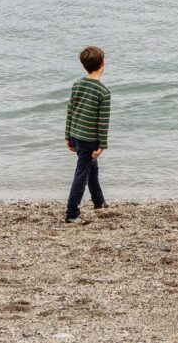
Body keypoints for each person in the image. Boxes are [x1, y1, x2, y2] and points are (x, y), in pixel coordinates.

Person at [63, 46, 111, 224]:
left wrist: (68, 136)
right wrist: (102, 146)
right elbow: (103, 122)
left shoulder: (77, 84)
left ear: (84, 66)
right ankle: (71, 213)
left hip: (76, 135)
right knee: (81, 175)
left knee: (92, 169)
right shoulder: (103, 92)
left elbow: (70, 110)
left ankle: (98, 202)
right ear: (103, 64)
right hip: (89, 139)